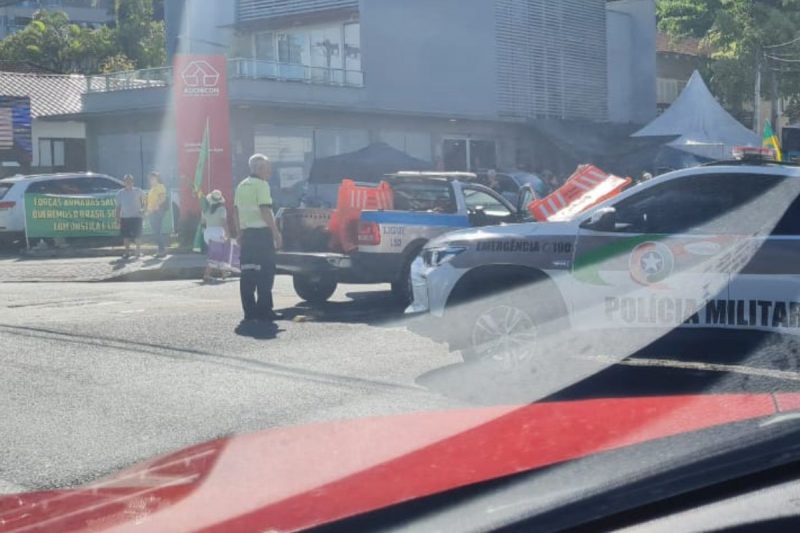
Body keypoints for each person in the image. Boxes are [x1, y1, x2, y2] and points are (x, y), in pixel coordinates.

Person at [233, 154, 283, 322]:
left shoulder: (241, 185)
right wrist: (275, 232)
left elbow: (236, 211)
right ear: (260, 169)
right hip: (262, 235)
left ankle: (249, 312)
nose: (270, 172)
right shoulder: (262, 185)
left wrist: (239, 232)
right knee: (266, 273)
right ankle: (264, 310)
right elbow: (265, 210)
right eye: (268, 168)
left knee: (248, 273)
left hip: (247, 235)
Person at [202, 189, 228, 283]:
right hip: (217, 233)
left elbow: (203, 222)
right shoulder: (222, 209)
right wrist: (228, 234)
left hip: (207, 233)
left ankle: (224, 273)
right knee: (216, 255)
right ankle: (207, 274)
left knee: (218, 254)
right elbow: (224, 223)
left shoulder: (206, 210)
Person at [116, 174, 144, 259]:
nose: (128, 182)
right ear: (124, 182)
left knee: (138, 236)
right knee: (126, 237)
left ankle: (138, 252)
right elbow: (118, 207)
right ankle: (127, 253)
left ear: (133, 182)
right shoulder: (120, 193)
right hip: (125, 218)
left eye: (130, 181)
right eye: (126, 181)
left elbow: (145, 201)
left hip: (137, 217)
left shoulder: (138, 191)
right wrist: (117, 220)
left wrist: (143, 209)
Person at [145, 171, 168, 257]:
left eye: (153, 178)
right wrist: (148, 211)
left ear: (157, 178)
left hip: (157, 211)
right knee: (156, 232)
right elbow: (150, 202)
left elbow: (162, 198)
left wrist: (156, 206)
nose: (151, 180)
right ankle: (161, 250)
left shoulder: (160, 186)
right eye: (150, 178)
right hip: (152, 212)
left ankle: (162, 250)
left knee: (157, 231)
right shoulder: (151, 189)